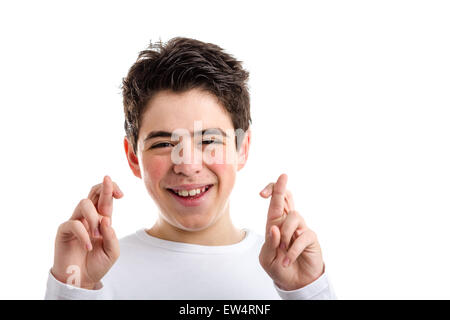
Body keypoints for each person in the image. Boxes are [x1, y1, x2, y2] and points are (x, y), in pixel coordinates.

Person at [44, 37, 336, 299]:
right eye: (163, 144)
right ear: (134, 157)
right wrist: (73, 291)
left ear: (242, 149)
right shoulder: (94, 274)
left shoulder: (289, 273)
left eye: (208, 140)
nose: (187, 165)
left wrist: (308, 292)